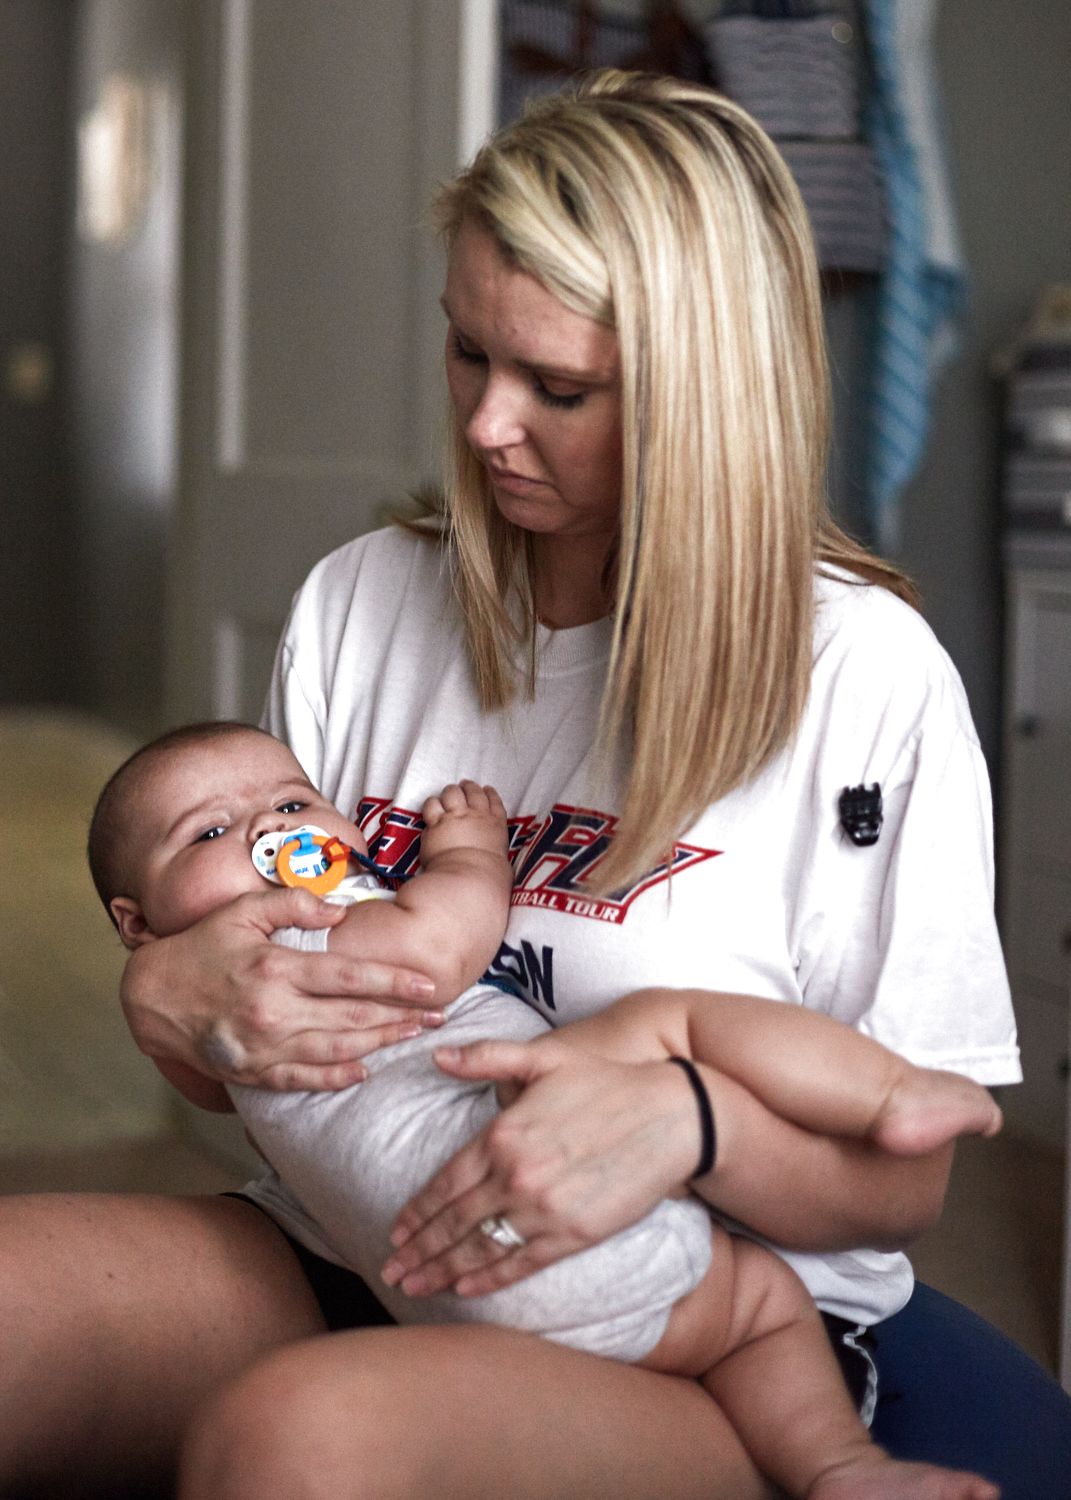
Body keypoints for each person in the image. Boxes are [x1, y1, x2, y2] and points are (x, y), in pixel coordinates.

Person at [2, 69, 1069, 1500]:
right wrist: (172, 1003)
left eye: (557, 388)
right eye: (464, 353)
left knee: (304, 1443)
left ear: (702, 398)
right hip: (360, 1239)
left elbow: (902, 1182)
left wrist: (689, 1121)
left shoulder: (866, 678)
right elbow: (275, 1022)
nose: (488, 426)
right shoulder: (357, 603)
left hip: (680, 1316)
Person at [87, 717, 1006, 1500]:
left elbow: (216, 1078)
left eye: (292, 805)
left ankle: (842, 1454)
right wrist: (468, 856)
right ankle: (840, 1457)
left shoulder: (288, 949)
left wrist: (170, 980)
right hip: (547, 1235)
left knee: (755, 1281)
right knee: (750, 1285)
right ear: (136, 921)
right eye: (210, 833)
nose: (266, 833)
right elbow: (442, 942)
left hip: (441, 1281)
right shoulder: (313, 930)